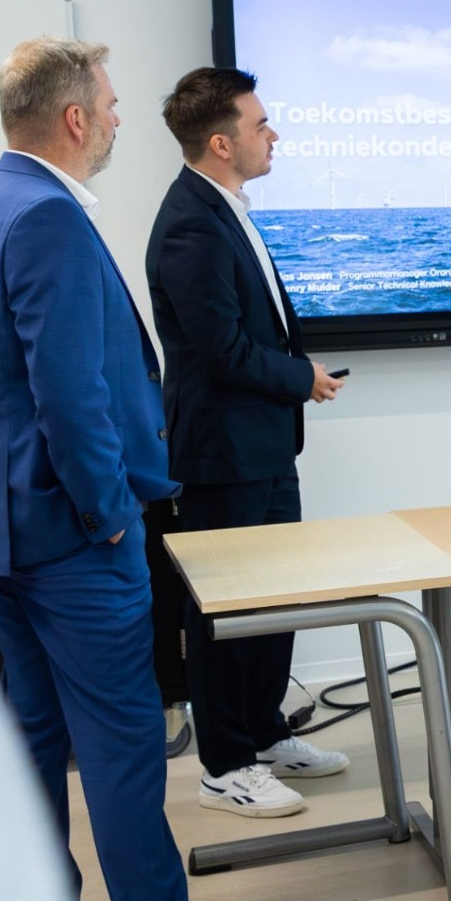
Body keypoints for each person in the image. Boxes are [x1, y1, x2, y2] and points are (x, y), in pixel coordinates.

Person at [0, 37, 195, 901]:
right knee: (125, 750)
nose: (122, 117)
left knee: (36, 742)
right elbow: (69, 393)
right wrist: (108, 515)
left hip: (6, 531)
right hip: (74, 537)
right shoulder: (47, 216)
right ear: (75, 117)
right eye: (114, 105)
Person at [146, 67, 347, 817]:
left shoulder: (225, 207)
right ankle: (224, 765)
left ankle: (264, 734)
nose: (274, 135)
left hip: (262, 449)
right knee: (224, 615)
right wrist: (303, 377)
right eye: (262, 125)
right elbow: (224, 350)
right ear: (222, 141)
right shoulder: (191, 223)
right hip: (221, 455)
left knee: (275, 602)